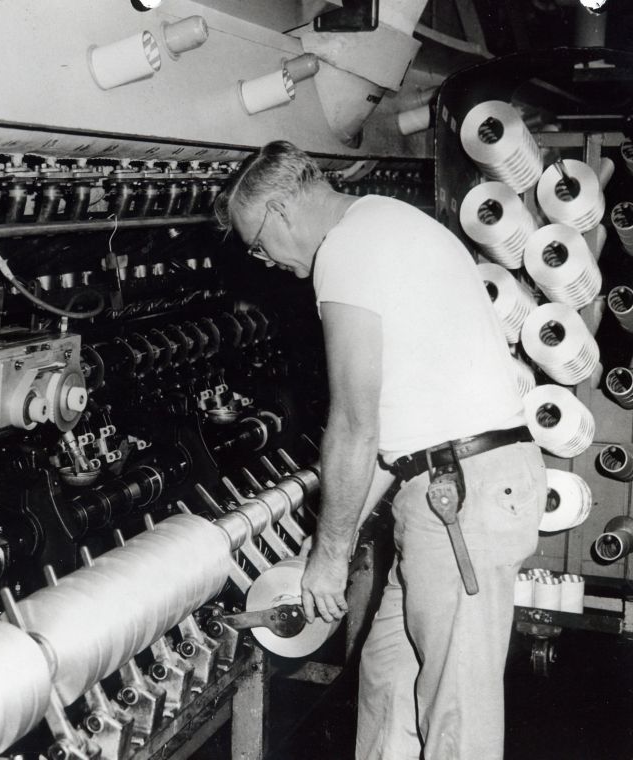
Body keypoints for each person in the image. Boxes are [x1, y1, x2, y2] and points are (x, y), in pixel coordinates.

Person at [214, 140, 547, 760]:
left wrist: (331, 554)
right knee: (389, 677)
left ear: (282, 209)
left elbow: (355, 422)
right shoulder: (384, 222)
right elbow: (394, 440)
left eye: (256, 242)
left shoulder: (346, 250)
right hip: (452, 487)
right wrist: (321, 550)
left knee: (457, 721)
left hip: (460, 501)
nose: (262, 260)